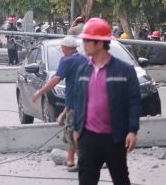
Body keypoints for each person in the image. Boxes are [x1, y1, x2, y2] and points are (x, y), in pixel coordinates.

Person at [73, 18, 141, 185]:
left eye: (87, 40)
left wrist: (132, 131)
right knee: (86, 180)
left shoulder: (124, 70)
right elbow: (78, 102)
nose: (84, 44)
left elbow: (134, 102)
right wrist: (76, 129)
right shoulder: (82, 70)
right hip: (88, 137)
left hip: (115, 137)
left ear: (100, 43)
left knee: (120, 179)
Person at [32, 36, 86, 171]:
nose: (61, 50)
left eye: (62, 48)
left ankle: (83, 162)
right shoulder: (84, 59)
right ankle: (70, 161)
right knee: (70, 131)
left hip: (75, 104)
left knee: (74, 133)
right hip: (85, 102)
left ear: (66, 48)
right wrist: (64, 112)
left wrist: (39, 92)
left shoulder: (67, 61)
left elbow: (56, 79)